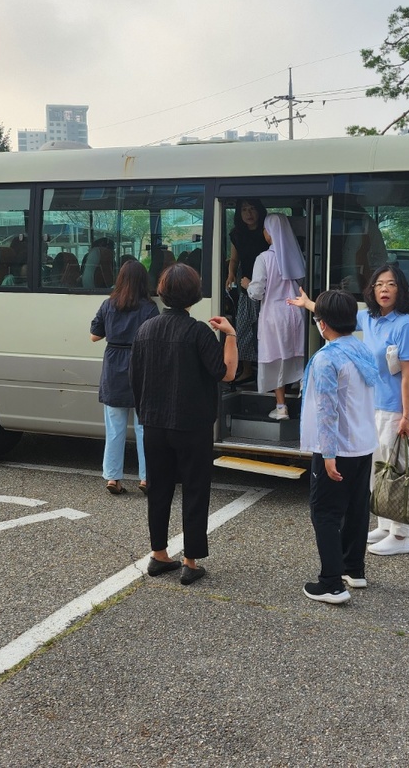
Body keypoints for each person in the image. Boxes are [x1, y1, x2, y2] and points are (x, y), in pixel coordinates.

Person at [290, 262, 409, 557]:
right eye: (379, 284)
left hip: (397, 409)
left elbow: (408, 376)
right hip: (375, 406)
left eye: (391, 284)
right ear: (371, 290)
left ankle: (402, 535)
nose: (384, 289)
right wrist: (308, 304)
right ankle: (385, 525)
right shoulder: (370, 318)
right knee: (380, 469)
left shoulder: (406, 326)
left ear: (400, 290)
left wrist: (405, 416)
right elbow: (336, 316)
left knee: (399, 470)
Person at [131, 263, 237, 585]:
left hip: (154, 423)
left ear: (162, 292)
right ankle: (190, 560)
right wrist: (231, 335)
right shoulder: (198, 332)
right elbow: (226, 373)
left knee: (158, 488)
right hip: (192, 424)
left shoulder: (145, 329)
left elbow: (135, 379)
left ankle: (159, 554)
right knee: (195, 489)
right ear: (194, 294)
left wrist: (146, 413)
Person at [299, 290, 379, 605]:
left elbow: (327, 411)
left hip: (336, 447)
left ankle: (331, 584)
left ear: (322, 324)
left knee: (325, 513)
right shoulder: (361, 349)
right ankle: (353, 570)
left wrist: (328, 454)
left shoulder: (327, 358)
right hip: (363, 443)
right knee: (357, 509)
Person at [90, 259, 159, 494]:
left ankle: (113, 478)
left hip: (113, 366)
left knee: (114, 428)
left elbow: (94, 336)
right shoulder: (149, 308)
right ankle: (146, 479)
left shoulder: (108, 305)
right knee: (144, 428)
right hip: (140, 365)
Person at [246, 212, 306, 419]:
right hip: (296, 312)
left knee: (275, 360)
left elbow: (257, 292)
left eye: (265, 229)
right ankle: (302, 391)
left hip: (274, 316)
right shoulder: (296, 257)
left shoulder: (264, 258)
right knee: (296, 355)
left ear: (270, 233)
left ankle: (281, 407)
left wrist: (247, 285)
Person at [225, 198, 268, 384]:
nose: (248, 214)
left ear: (259, 210)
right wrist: (230, 274)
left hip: (267, 289)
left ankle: (266, 371)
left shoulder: (267, 232)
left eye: (252, 209)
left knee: (264, 331)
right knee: (242, 328)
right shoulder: (237, 234)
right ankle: (247, 369)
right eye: (244, 210)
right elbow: (234, 259)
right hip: (245, 287)